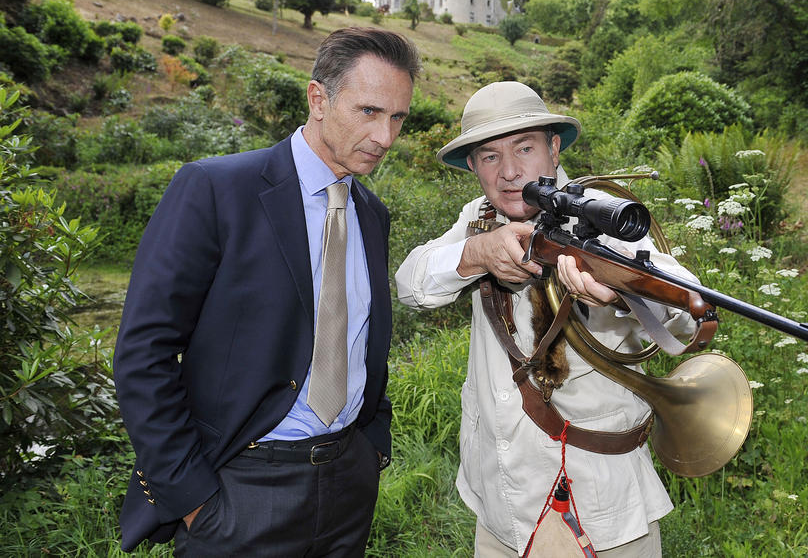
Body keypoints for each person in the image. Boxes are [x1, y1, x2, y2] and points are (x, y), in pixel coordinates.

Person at [113, 27, 421, 555]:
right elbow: (144, 351)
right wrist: (193, 499)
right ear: (318, 98)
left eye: (397, 118)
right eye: (369, 111)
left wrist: (372, 445)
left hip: (349, 483)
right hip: (239, 489)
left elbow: (363, 339)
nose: (385, 137)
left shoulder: (371, 215)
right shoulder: (215, 189)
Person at [395, 81, 701, 557]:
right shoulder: (477, 218)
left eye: (524, 147)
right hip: (499, 504)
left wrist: (622, 297)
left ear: (554, 149)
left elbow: (686, 311)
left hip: (598, 508)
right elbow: (411, 284)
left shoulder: (601, 220)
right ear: (473, 167)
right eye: (490, 156)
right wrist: (476, 254)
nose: (511, 171)